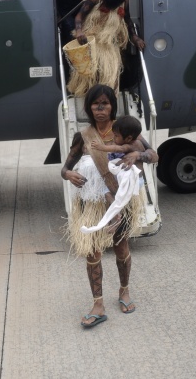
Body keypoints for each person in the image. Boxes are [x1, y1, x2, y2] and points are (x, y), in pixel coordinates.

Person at [60, 84, 158, 328]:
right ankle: (98, 304)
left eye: (105, 103)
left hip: (119, 200)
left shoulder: (125, 130)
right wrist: (68, 174)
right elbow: (65, 168)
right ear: (89, 107)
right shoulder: (83, 136)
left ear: (112, 106)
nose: (100, 108)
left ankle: (124, 291)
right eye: (96, 104)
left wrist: (137, 155)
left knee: (121, 246)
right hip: (90, 202)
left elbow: (153, 155)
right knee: (92, 251)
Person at [67, 0, 146, 97]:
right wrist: (79, 31)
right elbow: (79, 16)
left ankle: (109, 100)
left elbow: (127, 20)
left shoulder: (124, 0)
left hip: (110, 45)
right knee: (91, 76)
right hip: (91, 42)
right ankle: (90, 100)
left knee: (111, 75)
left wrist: (135, 37)